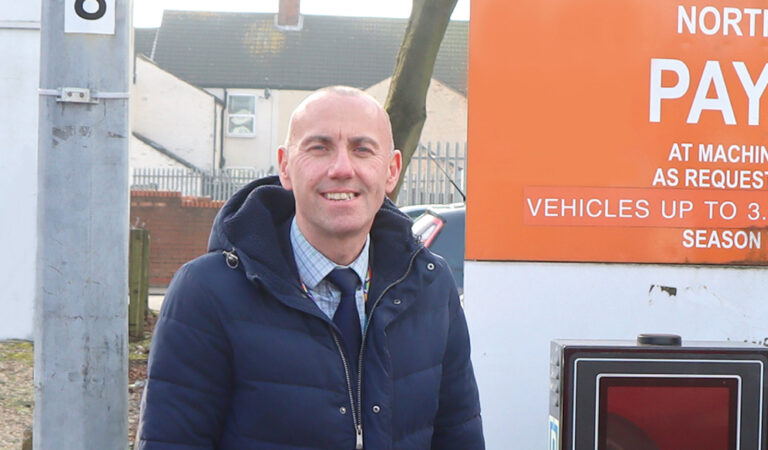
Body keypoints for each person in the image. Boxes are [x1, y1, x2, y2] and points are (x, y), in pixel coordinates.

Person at [137, 86, 484, 449]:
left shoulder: (431, 288)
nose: (341, 168)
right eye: (319, 148)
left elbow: (459, 435)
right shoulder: (206, 294)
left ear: (392, 170)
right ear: (285, 167)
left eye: (362, 149)